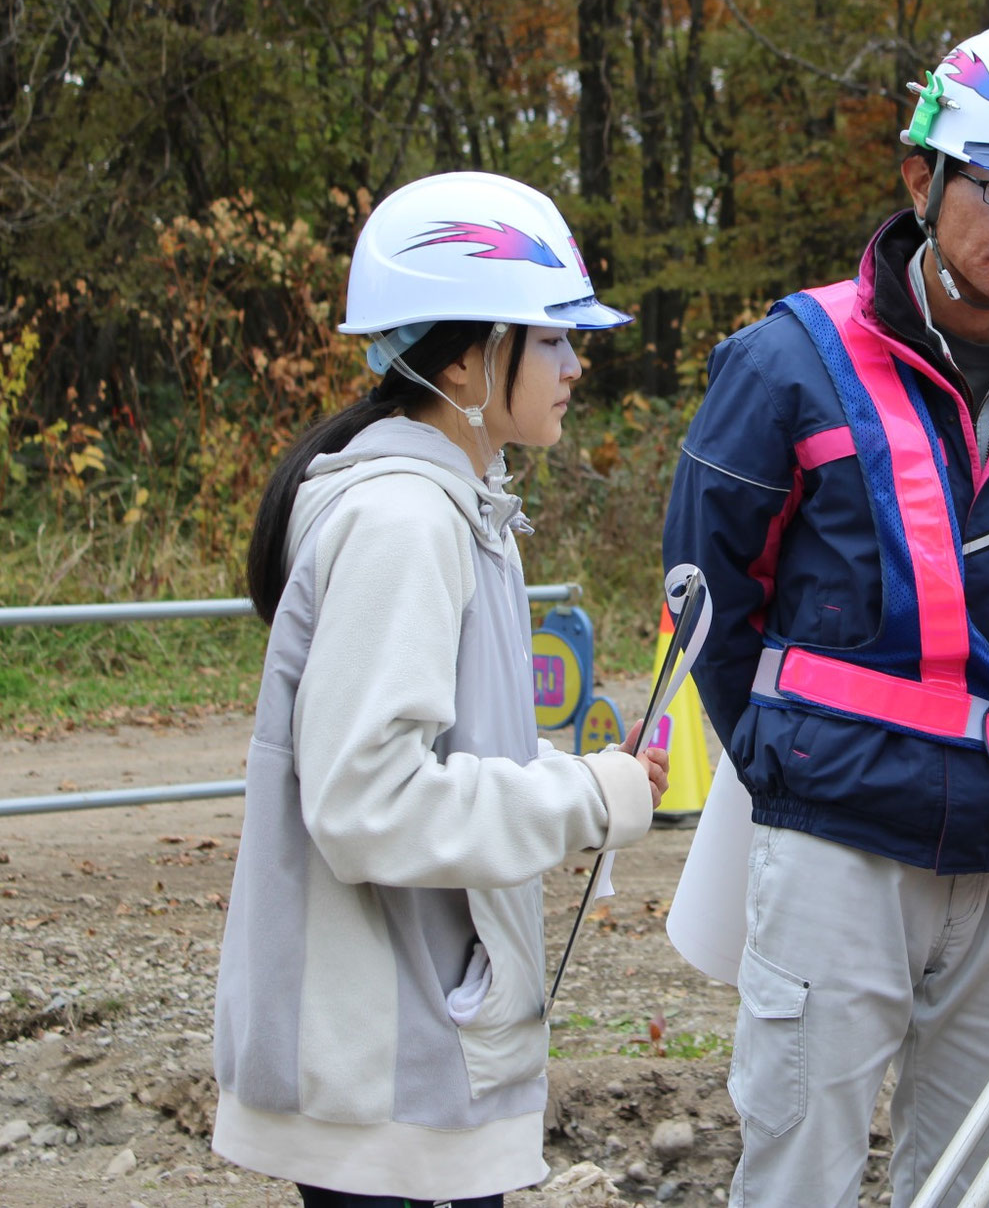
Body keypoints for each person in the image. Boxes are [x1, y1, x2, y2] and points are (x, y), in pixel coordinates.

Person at [663, 26, 989, 1208]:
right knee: (799, 1170)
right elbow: (708, 596)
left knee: (987, 1177)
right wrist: (792, 762)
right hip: (835, 839)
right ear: (919, 177)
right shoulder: (791, 360)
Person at [212, 171, 669, 1208]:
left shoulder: (458, 506)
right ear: (466, 356)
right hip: (384, 1085)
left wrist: (580, 777)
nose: (574, 365)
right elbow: (367, 801)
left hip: (413, 1069)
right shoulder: (406, 524)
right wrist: (581, 799)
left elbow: (438, 760)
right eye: (549, 339)